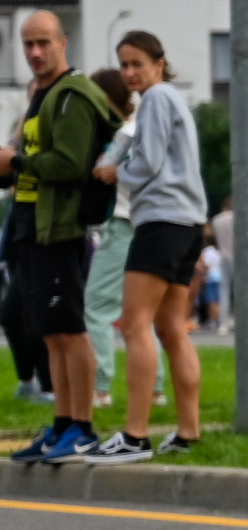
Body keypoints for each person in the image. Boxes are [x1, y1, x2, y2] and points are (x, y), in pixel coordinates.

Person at [0, 10, 121, 463]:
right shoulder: (43, 95)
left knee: (70, 329)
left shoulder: (73, 94)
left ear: (63, 42)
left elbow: (70, 164)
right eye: (28, 44)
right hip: (32, 225)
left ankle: (83, 428)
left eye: (43, 42)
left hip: (61, 228)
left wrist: (15, 162)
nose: (35, 52)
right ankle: (61, 425)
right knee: (50, 332)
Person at [87, 32, 207, 461]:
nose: (130, 72)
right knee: (172, 329)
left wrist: (114, 172)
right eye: (124, 64)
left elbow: (149, 162)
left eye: (137, 63)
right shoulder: (176, 101)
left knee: (134, 324)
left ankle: (135, 436)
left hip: (160, 221)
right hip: (189, 223)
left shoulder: (155, 99)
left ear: (159, 63)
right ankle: (189, 431)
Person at [1, 23, 55, 406]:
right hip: (19, 226)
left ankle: (50, 387)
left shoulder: (53, 125)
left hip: (45, 226)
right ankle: (30, 381)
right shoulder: (23, 129)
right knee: (14, 314)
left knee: (30, 312)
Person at [81, 66, 135, 409]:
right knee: (138, 314)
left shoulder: (122, 133)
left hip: (121, 224)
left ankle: (100, 388)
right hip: (144, 224)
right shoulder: (140, 126)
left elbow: (103, 169)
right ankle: (156, 389)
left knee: (96, 307)